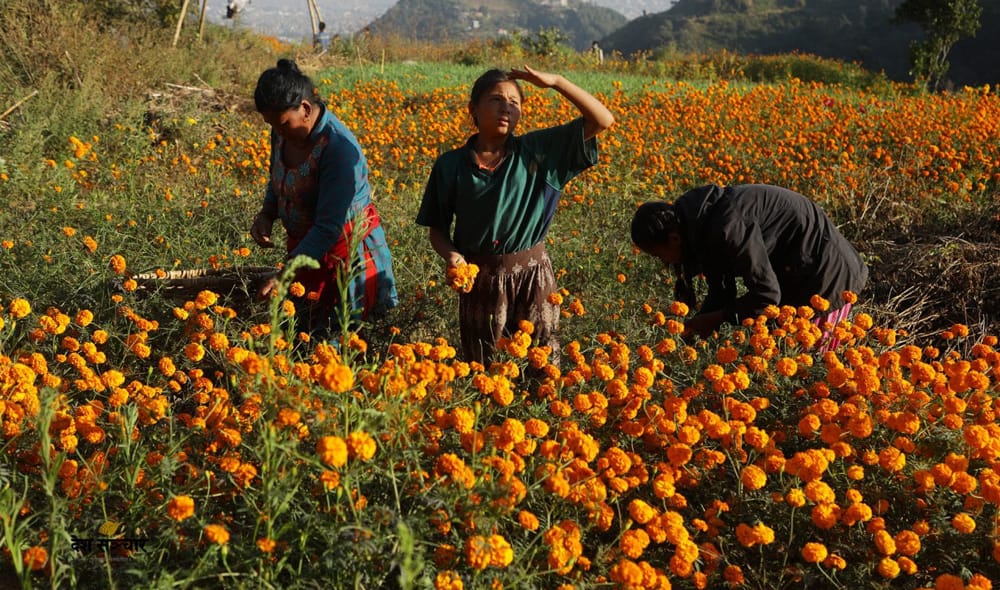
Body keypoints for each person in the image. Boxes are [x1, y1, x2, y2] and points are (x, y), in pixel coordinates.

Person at [416, 66, 615, 365]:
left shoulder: (538, 152)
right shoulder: (450, 165)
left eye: (515, 102)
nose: (506, 107)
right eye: (496, 99)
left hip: (533, 280)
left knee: (540, 369)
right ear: (474, 108)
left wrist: (556, 81)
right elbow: (437, 231)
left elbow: (603, 120)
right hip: (479, 283)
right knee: (483, 370)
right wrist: (453, 257)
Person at [250, 59, 398, 338]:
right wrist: (267, 213)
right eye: (271, 125)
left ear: (305, 109)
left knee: (334, 343)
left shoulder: (339, 151)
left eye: (282, 125)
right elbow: (278, 175)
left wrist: (286, 275)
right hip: (306, 254)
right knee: (300, 336)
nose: (277, 133)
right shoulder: (282, 132)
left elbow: (329, 228)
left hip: (344, 259)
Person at [631, 183, 868, 341]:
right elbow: (721, 292)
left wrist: (715, 319)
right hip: (796, 271)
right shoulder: (699, 225)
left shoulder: (728, 227)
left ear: (673, 238)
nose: (662, 261)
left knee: (808, 364)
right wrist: (692, 330)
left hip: (827, 277)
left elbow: (766, 295)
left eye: (658, 254)